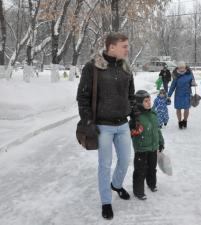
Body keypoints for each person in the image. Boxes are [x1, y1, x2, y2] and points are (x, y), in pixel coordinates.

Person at [77, 33, 137, 220]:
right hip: (103, 126)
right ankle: (106, 201)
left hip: (122, 124)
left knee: (125, 160)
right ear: (111, 47)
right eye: (124, 46)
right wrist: (88, 121)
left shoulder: (127, 68)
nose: (128, 49)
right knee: (104, 165)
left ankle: (116, 185)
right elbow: (83, 97)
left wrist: (134, 116)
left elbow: (131, 96)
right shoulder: (92, 67)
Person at [129, 90, 165, 200]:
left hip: (153, 147)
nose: (149, 103)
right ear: (139, 103)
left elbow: (157, 129)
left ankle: (151, 184)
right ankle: (138, 191)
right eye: (146, 101)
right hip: (141, 149)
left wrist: (161, 141)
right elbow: (131, 131)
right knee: (140, 171)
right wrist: (134, 130)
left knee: (152, 168)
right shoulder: (136, 117)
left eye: (149, 100)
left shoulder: (153, 113)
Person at [168, 61, 196, 129]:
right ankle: (180, 122)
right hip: (178, 95)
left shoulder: (189, 74)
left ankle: (185, 121)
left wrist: (193, 83)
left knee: (187, 109)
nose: (181, 69)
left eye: (183, 67)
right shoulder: (176, 75)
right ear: (178, 67)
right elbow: (172, 86)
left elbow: (193, 82)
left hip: (187, 94)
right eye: (180, 67)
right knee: (178, 109)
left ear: (185, 67)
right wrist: (169, 95)